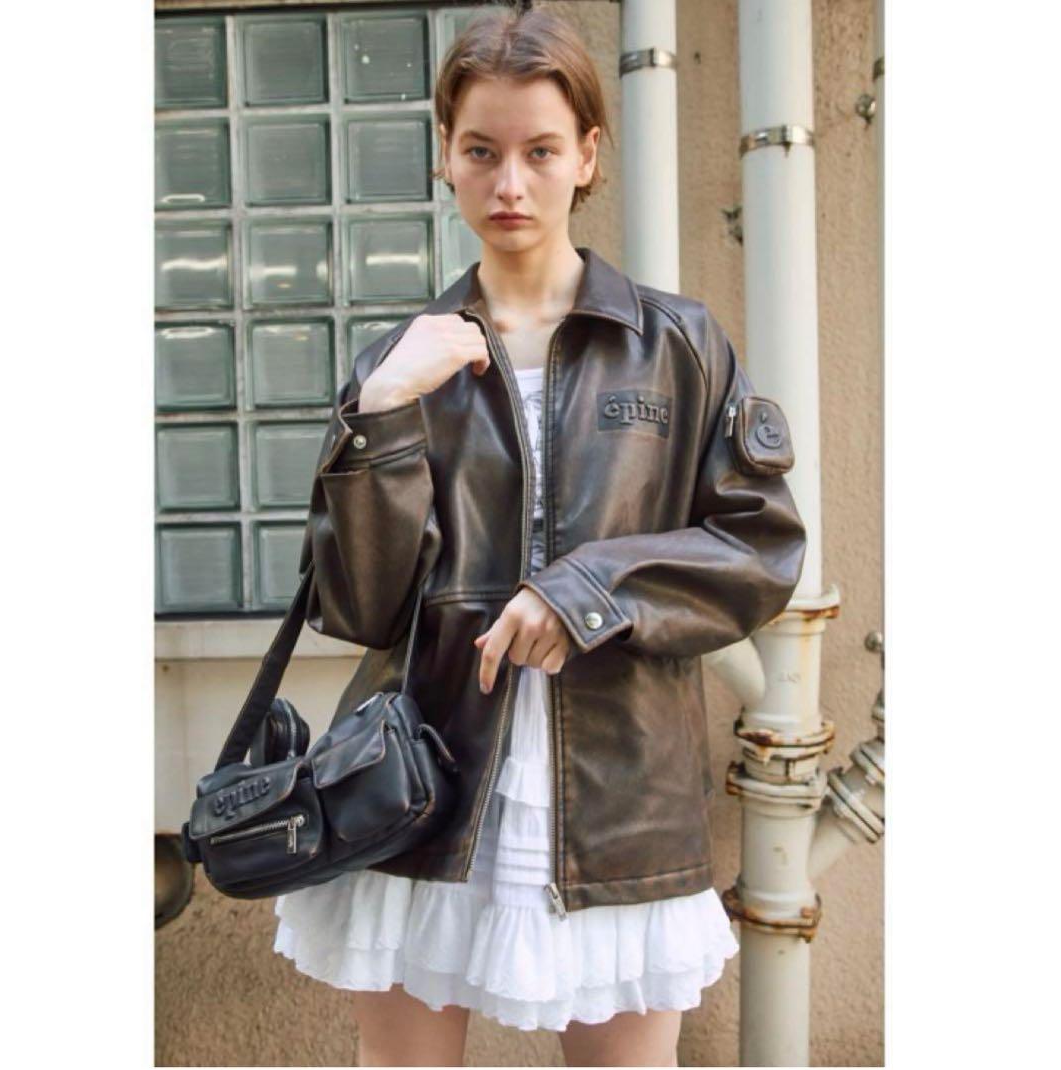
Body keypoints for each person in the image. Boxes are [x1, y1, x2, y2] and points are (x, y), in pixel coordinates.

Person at [273, 7, 807, 1067]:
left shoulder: (675, 344)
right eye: (481, 151)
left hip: (620, 801)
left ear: (588, 156)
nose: (509, 182)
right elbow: (360, 607)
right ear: (446, 156)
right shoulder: (399, 361)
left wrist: (587, 589)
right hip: (419, 790)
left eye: (540, 151)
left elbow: (760, 549)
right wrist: (381, 412)